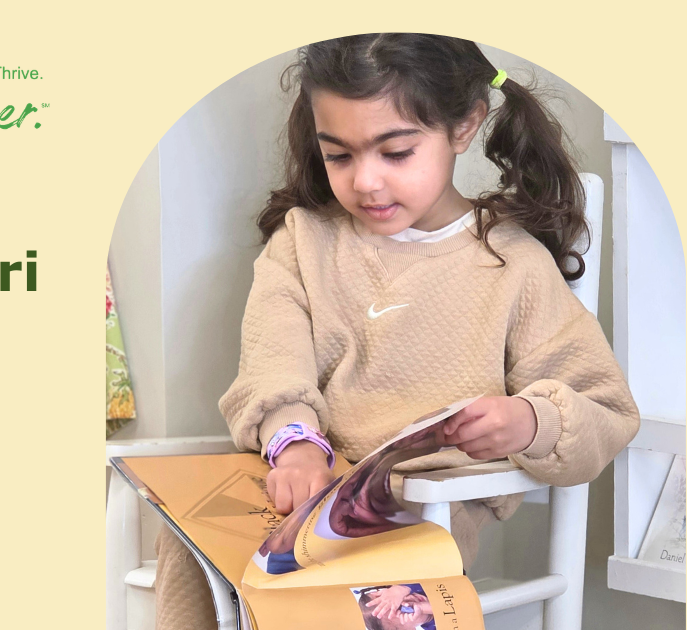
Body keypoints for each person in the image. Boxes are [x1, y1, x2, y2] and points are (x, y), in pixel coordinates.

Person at [154, 33, 640, 630]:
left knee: (348, 595)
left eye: (396, 153)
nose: (366, 182)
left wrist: (531, 421)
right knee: (189, 543)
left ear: (465, 126)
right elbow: (272, 365)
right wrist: (296, 443)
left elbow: (606, 410)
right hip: (294, 482)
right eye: (339, 156)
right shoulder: (303, 242)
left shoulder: (513, 265)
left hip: (416, 513)